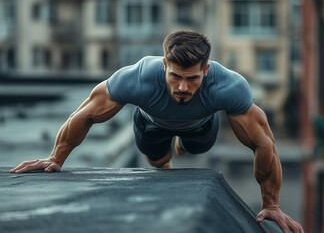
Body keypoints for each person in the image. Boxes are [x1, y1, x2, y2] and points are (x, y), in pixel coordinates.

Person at [10, 30, 304, 233]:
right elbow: (85, 114)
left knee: (199, 146)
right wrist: (56, 158)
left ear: (207, 71)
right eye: (175, 75)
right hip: (150, 124)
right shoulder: (137, 78)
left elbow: (263, 143)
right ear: (164, 64)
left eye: (192, 79)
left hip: (201, 127)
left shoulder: (229, 87)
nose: (182, 87)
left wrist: (271, 204)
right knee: (154, 159)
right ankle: (167, 151)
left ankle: (180, 146)